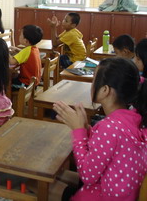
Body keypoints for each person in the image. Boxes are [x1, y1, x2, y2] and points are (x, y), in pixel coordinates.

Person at [53, 57, 147, 200]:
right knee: (57, 177)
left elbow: (87, 176)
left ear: (105, 90)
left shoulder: (109, 127)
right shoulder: (135, 118)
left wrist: (78, 132)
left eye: (94, 80)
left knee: (39, 183)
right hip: (119, 192)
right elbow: (110, 149)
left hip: (102, 195)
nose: (92, 85)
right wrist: (87, 129)